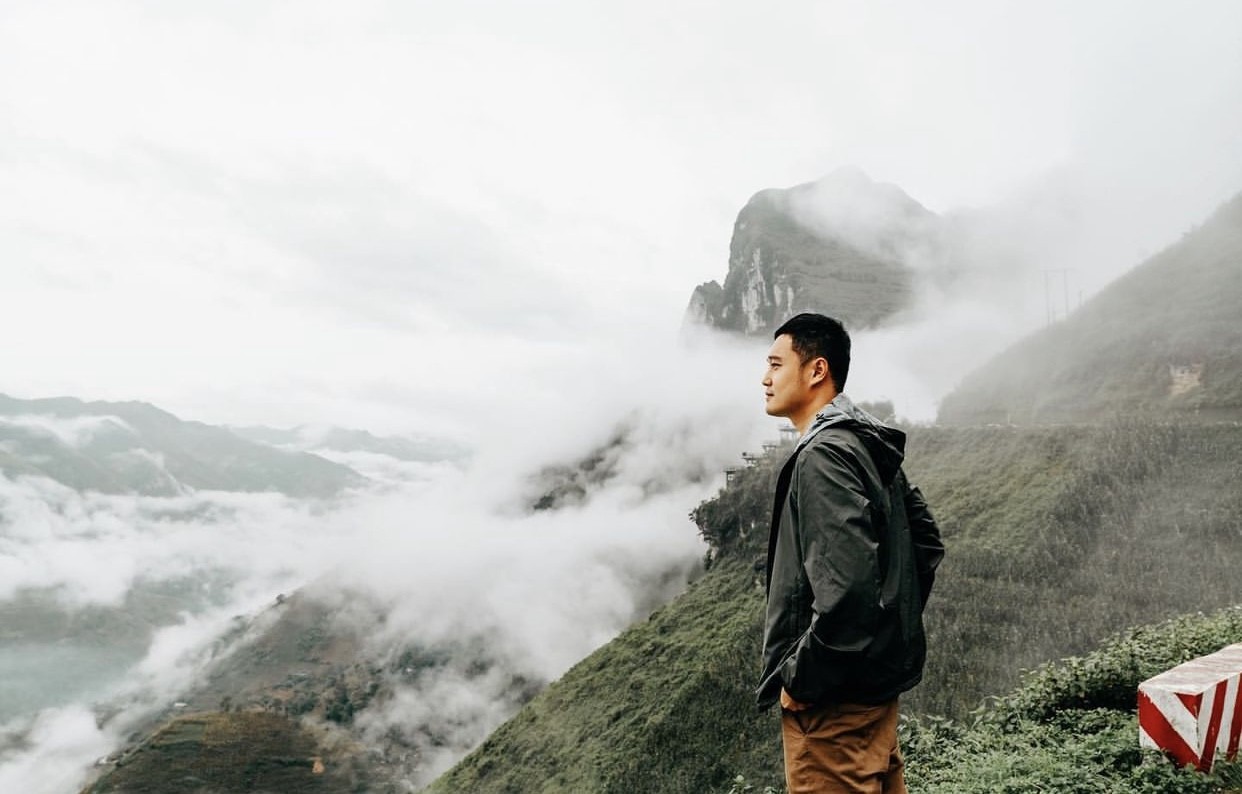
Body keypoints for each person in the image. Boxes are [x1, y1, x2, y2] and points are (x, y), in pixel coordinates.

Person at [755, 313, 944, 794]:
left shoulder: (823, 456)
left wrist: (799, 679)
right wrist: (882, 641)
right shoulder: (865, 443)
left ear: (816, 370)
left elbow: (849, 593)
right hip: (872, 697)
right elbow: (924, 542)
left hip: (833, 712)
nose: (765, 378)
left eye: (776, 364)